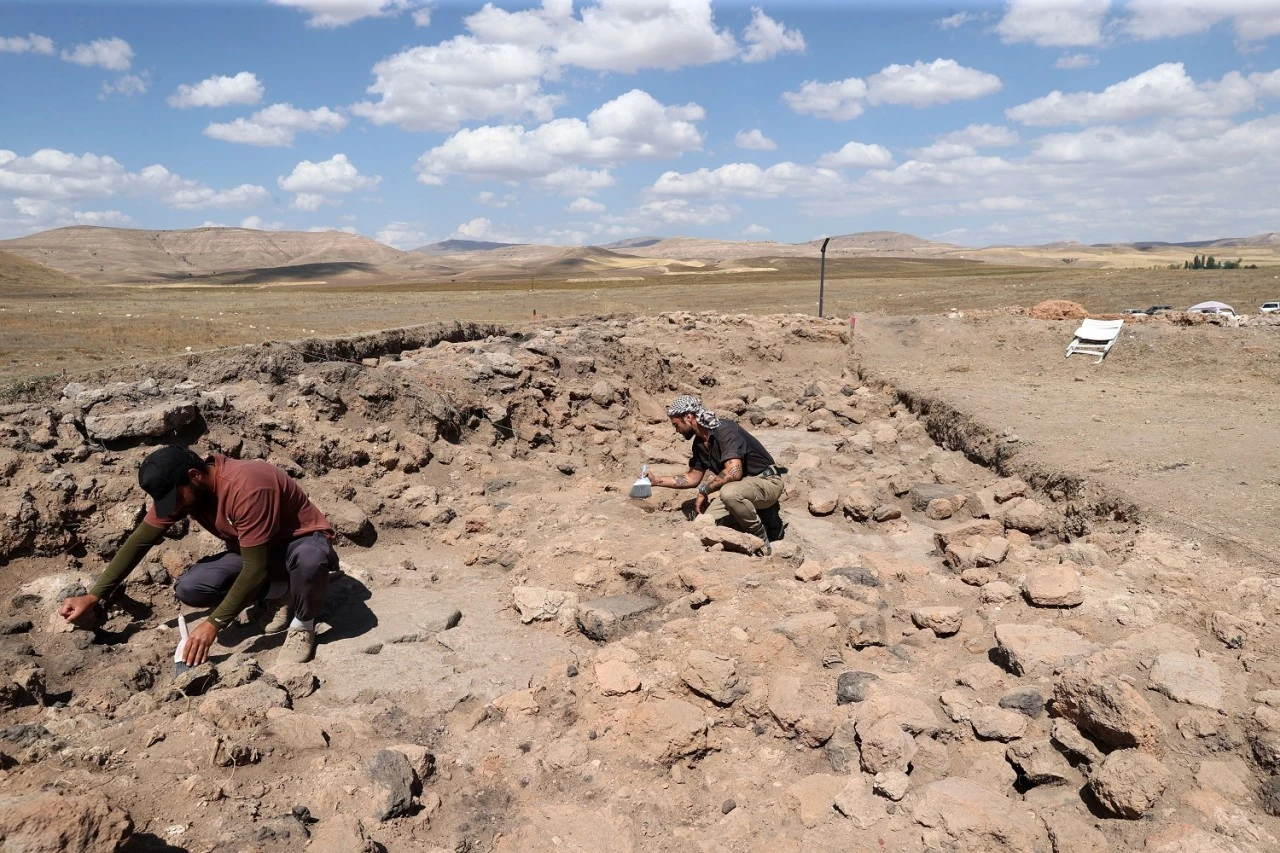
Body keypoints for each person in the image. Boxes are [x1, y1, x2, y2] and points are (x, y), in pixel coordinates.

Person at [59, 446, 337, 665]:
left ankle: (303, 624)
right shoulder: (187, 491)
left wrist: (213, 623)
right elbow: (140, 540)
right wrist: (93, 596)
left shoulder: (247, 487)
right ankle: (282, 593)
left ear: (195, 476)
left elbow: (254, 569)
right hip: (257, 553)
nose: (173, 508)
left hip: (299, 545)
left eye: (176, 499)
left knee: (310, 560)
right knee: (192, 587)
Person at [644, 395, 786, 553]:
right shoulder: (699, 444)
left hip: (767, 481)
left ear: (688, 417)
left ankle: (762, 541)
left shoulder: (724, 430)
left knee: (729, 493)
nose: (676, 430)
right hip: (743, 487)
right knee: (707, 523)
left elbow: (734, 471)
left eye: (676, 424)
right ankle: (757, 521)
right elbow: (691, 477)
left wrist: (705, 490)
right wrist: (656, 481)